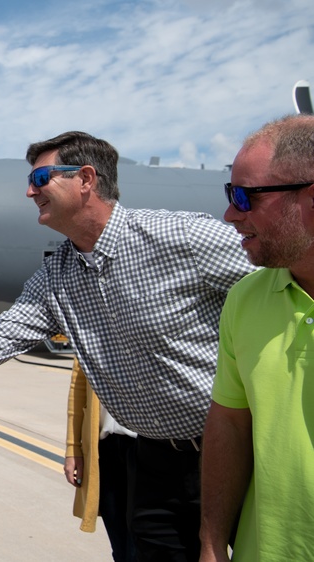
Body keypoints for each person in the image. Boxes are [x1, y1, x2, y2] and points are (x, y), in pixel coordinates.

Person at [0, 130, 256, 560]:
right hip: (153, 461)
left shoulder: (182, 239)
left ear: (86, 179)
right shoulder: (59, 275)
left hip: (235, 450)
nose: (30, 191)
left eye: (42, 177)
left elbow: (282, 281)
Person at [200, 114, 314, 561]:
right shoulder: (245, 298)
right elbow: (229, 424)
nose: (230, 214)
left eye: (244, 197)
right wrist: (211, 543)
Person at [65, 359, 137, 561]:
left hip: (148, 447)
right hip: (105, 448)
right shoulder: (91, 328)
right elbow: (78, 386)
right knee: (120, 547)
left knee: (140, 547)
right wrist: (73, 448)